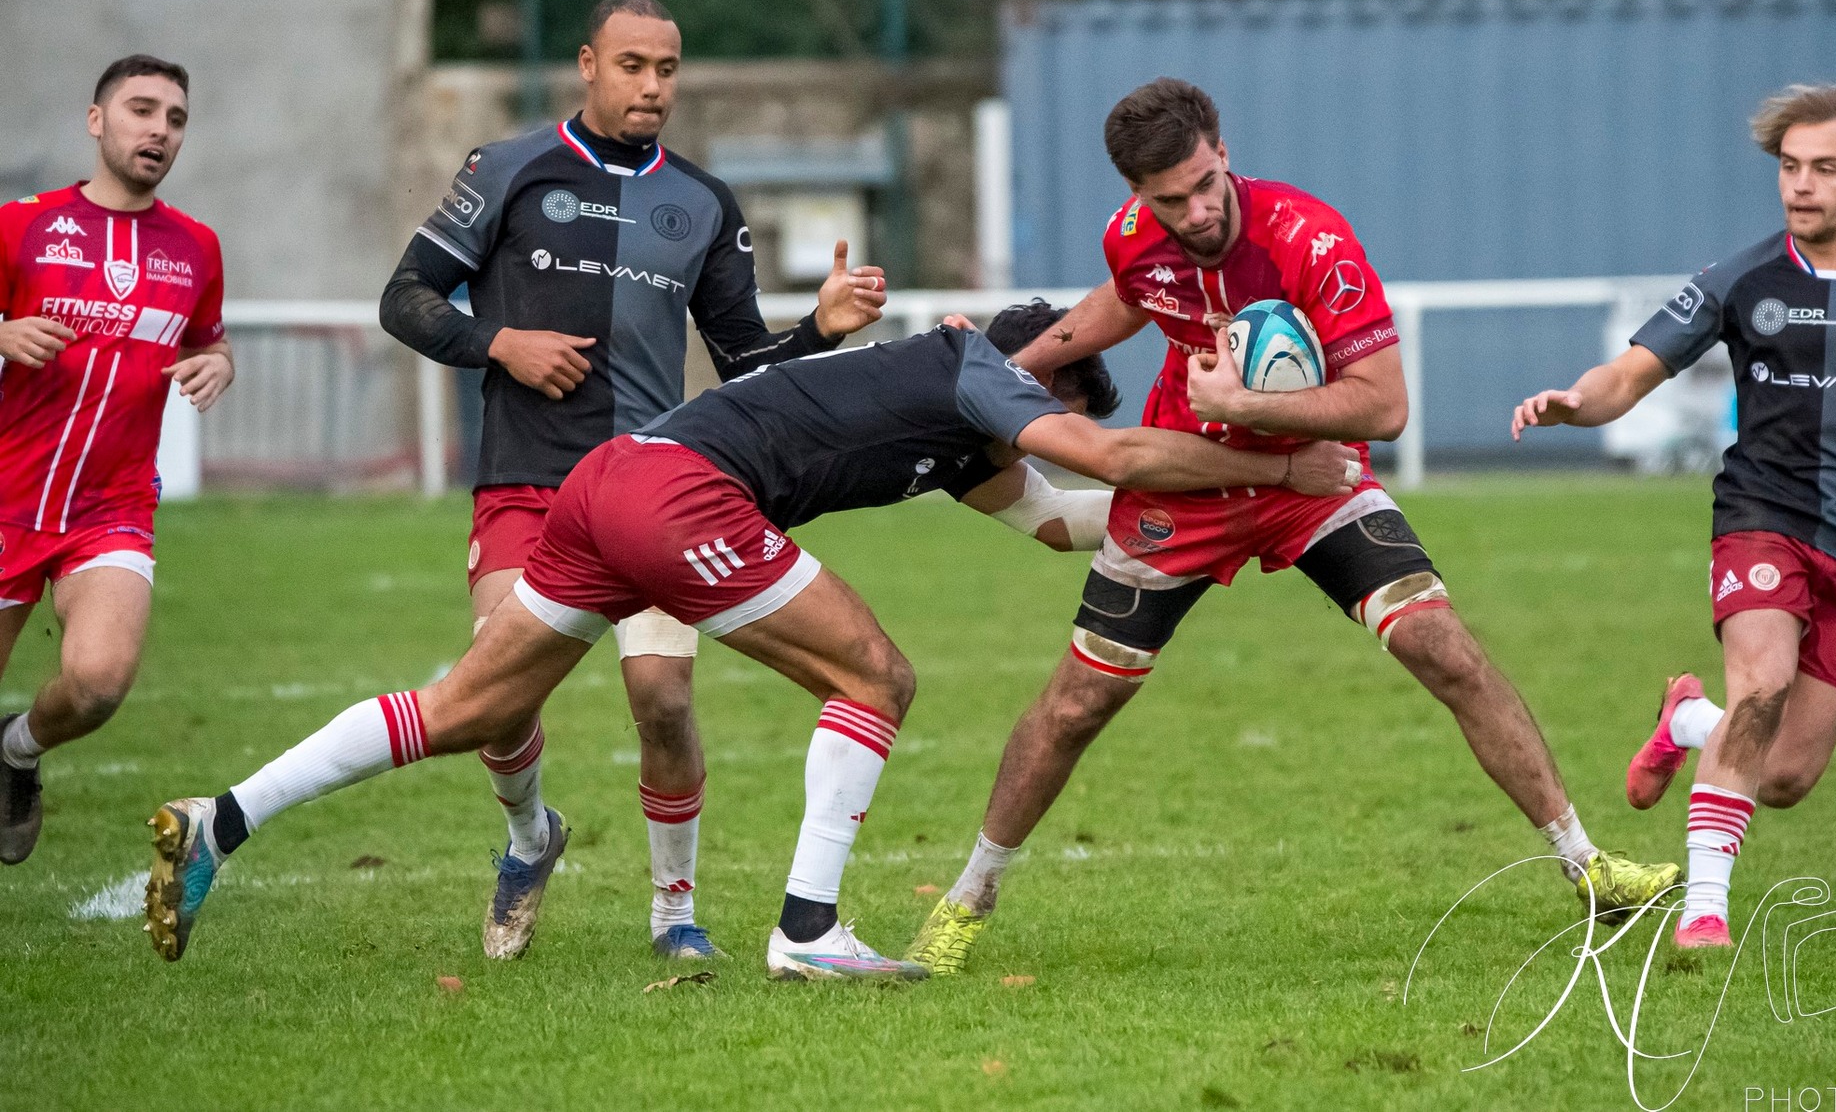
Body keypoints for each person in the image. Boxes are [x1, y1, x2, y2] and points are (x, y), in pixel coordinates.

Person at [141, 313, 1362, 979]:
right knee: (875, 674)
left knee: (460, 707)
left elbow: (1063, 521)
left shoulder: (956, 421)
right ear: (1038, 383)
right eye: (1042, 419)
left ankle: (221, 820)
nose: (1035, 436)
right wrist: (1274, 459)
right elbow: (1103, 463)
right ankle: (809, 929)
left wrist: (1221, 514)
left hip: (608, 485)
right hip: (681, 497)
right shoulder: (982, 376)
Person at [905, 79, 1680, 976]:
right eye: (1170, 199)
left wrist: (1241, 399)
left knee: (1445, 649)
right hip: (1185, 482)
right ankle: (968, 898)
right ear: (1135, 197)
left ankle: (1588, 868)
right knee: (1080, 701)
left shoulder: (1312, 241)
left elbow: (1385, 406)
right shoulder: (1133, 239)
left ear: (1223, 150)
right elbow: (1125, 296)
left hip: (1313, 478)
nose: (1196, 211)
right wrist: (1010, 368)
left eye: (1205, 184)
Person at [380, 0, 886, 961]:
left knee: (661, 696)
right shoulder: (507, 170)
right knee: (495, 699)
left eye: (666, 69)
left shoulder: (701, 202)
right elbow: (403, 298)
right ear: (587, 63)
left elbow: (744, 367)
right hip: (526, 479)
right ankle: (532, 839)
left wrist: (818, 326)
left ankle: (673, 915)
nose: (652, 86)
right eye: (632, 66)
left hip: (653, 485)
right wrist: (502, 344)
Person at [1511, 83, 1836, 949]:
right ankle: (1706, 907)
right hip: (1760, 514)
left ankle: (1684, 721)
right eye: (1790, 167)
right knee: (1763, 684)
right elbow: (1630, 374)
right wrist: (1575, 402)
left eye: (1825, 168)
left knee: (1783, 774)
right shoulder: (1741, 276)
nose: (1801, 185)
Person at [0, 55, 233, 863]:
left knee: (98, 683)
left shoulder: (196, 246)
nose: (159, 130)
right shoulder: (21, 223)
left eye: (175, 119)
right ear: (96, 120)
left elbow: (209, 339)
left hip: (112, 505)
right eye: (141, 110)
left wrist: (220, 363)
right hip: (7, 494)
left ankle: (16, 752)